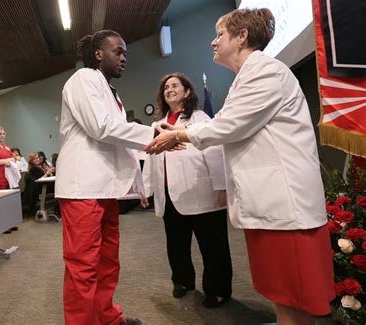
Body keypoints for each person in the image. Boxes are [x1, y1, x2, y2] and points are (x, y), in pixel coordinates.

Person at [146, 8, 334, 324]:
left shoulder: (265, 71)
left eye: (219, 34)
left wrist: (179, 134)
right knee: (282, 289)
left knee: (295, 289)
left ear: (242, 36)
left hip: (285, 205)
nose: (212, 42)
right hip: (269, 202)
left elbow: (229, 125)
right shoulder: (245, 78)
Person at [55, 29, 155, 325]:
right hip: (82, 188)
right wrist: (154, 133)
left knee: (107, 261)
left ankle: (107, 317)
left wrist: (138, 185)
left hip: (105, 189)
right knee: (83, 265)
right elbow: (101, 127)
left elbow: (119, 143)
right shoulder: (83, 79)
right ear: (99, 54)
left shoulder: (112, 93)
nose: (124, 57)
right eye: (118, 51)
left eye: (125, 53)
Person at [142, 73, 232, 308]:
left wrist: (221, 186)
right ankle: (182, 281)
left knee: (212, 244)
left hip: (201, 193)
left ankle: (218, 289)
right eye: (166, 87)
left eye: (175, 86)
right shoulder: (157, 124)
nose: (169, 89)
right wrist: (146, 189)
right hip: (170, 195)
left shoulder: (200, 117)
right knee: (176, 244)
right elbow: (150, 159)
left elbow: (215, 152)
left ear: (188, 92)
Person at [0, 126, 18, 232]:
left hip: (8, 177)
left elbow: (15, 158)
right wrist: (10, 159)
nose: (2, 136)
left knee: (9, 201)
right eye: (0, 134)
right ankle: (2, 225)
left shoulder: (6, 147)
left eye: (3, 134)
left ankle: (10, 223)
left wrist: (9, 159)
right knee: (1, 202)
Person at [23, 152, 52, 216]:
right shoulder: (33, 169)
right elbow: (39, 180)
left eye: (38, 158)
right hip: (40, 188)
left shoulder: (37, 167)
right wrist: (47, 173)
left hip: (41, 186)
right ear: (31, 161)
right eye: (35, 159)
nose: (37, 159)